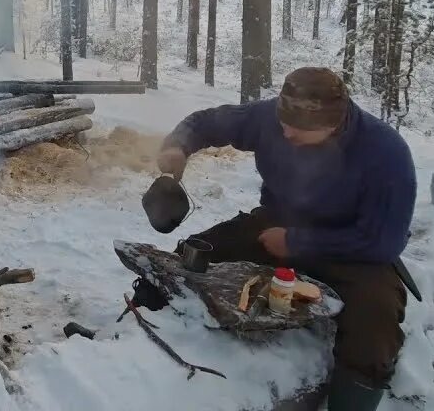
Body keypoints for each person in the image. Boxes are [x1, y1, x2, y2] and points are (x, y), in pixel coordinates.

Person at [155, 67, 416, 411]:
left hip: (352, 247)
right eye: (283, 123)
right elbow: (209, 122)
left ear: (334, 125)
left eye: (302, 129)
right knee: (194, 255)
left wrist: (298, 243)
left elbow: (384, 241)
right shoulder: (271, 117)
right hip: (279, 221)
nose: (287, 133)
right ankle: (144, 335)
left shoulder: (385, 152)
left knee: (375, 323)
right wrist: (178, 146)